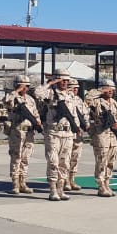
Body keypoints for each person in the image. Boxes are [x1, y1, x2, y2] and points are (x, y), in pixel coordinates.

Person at [34, 68, 80, 201]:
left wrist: (76, 128)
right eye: (62, 80)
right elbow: (37, 93)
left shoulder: (70, 95)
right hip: (54, 132)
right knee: (53, 162)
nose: (65, 83)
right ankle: (53, 190)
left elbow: (74, 114)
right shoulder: (51, 93)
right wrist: (51, 83)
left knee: (64, 162)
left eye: (66, 80)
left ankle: (61, 189)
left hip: (67, 133)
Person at [3, 74, 41, 194]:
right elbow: (6, 101)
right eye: (22, 86)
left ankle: (23, 182)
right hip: (17, 131)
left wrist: (38, 123)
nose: (25, 89)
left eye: (27, 86)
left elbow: (35, 113)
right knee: (16, 157)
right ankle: (15, 184)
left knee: (25, 158)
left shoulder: (30, 99)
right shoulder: (12, 97)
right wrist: (16, 91)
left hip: (29, 132)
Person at [85, 79, 117, 196]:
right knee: (101, 160)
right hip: (101, 134)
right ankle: (101, 185)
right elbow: (87, 98)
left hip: (113, 136)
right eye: (108, 89)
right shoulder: (96, 101)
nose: (110, 91)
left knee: (111, 161)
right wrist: (100, 91)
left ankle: (107, 183)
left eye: (112, 89)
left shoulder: (114, 103)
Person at [63, 79, 91, 193]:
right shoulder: (64, 99)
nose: (75, 90)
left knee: (75, 157)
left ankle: (72, 179)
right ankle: (65, 181)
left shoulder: (79, 100)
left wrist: (87, 125)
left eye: (77, 88)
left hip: (78, 134)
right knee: (65, 158)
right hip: (67, 132)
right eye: (72, 87)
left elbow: (85, 114)